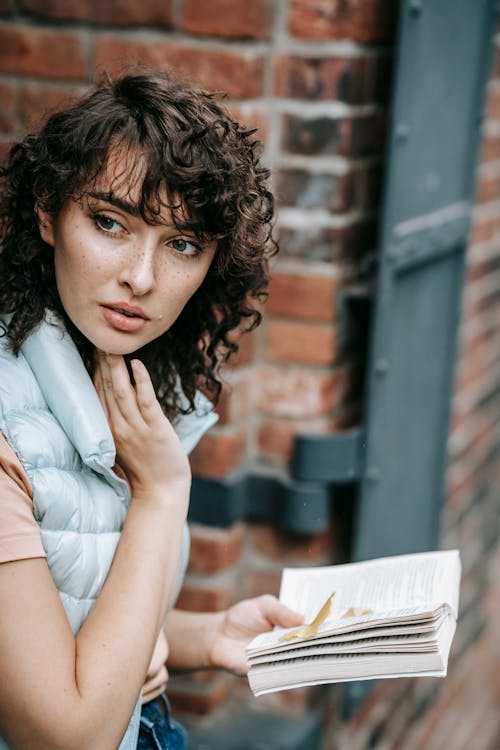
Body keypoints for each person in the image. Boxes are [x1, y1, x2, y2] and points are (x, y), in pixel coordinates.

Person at [0, 70, 304, 750]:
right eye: (110, 222)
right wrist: (162, 493)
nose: (142, 276)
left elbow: (72, 623)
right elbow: (66, 734)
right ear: (49, 212)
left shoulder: (129, 384)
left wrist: (204, 636)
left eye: (183, 244)